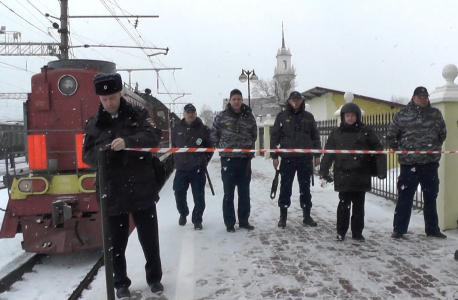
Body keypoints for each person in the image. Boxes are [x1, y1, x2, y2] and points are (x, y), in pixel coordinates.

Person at [82, 73, 164, 299]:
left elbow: (153, 137)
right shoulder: (94, 124)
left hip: (141, 188)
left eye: (112, 98)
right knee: (115, 245)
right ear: (100, 98)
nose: (108, 103)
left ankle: (154, 279)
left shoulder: (139, 115)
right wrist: (104, 152)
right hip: (112, 191)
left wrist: (128, 142)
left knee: (149, 240)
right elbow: (87, 156)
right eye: (104, 99)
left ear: (120, 94)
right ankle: (120, 283)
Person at [319, 102, 387, 241]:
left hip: (361, 172)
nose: (350, 118)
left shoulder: (366, 131)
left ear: (357, 116)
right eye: (347, 115)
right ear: (344, 116)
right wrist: (324, 171)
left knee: (359, 205)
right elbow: (328, 153)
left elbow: (378, 149)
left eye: (353, 115)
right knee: (343, 204)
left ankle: (357, 232)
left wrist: (381, 170)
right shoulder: (336, 133)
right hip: (343, 172)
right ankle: (341, 231)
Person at [387, 86, 447, 239]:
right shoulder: (403, 114)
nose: (423, 99)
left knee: (431, 197)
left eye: (425, 97)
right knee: (405, 198)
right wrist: (401, 150)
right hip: (409, 165)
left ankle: (432, 229)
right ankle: (399, 229)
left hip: (430, 164)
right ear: (413, 97)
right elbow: (391, 135)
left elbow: (442, 134)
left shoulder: (435, 114)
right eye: (420, 97)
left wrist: (433, 147)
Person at [270, 91, 322, 228]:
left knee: (305, 188)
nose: (296, 102)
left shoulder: (308, 117)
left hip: (305, 159)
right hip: (287, 159)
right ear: (289, 101)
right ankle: (283, 216)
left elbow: (315, 137)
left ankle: (307, 215)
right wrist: (274, 156)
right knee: (285, 188)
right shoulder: (282, 117)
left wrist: (317, 155)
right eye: (293, 99)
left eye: (298, 99)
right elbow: (274, 137)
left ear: (302, 101)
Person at [211, 88, 257, 233]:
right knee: (228, 193)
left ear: (242, 100)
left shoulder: (249, 116)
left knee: (244, 193)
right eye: (234, 99)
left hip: (244, 161)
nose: (236, 102)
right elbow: (214, 135)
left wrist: (246, 145)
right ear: (229, 100)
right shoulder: (221, 117)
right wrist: (223, 147)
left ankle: (244, 221)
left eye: (239, 99)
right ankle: (230, 223)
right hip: (228, 160)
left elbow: (254, 134)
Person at [171, 103, 213, 230]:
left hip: (198, 169)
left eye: (192, 112)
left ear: (195, 113)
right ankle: (183, 213)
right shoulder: (176, 130)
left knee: (199, 197)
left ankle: (197, 220)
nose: (190, 114)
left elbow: (210, 148)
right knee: (178, 192)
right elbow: (173, 147)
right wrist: (177, 160)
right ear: (184, 114)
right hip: (181, 169)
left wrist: (204, 160)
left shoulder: (204, 130)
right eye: (188, 112)